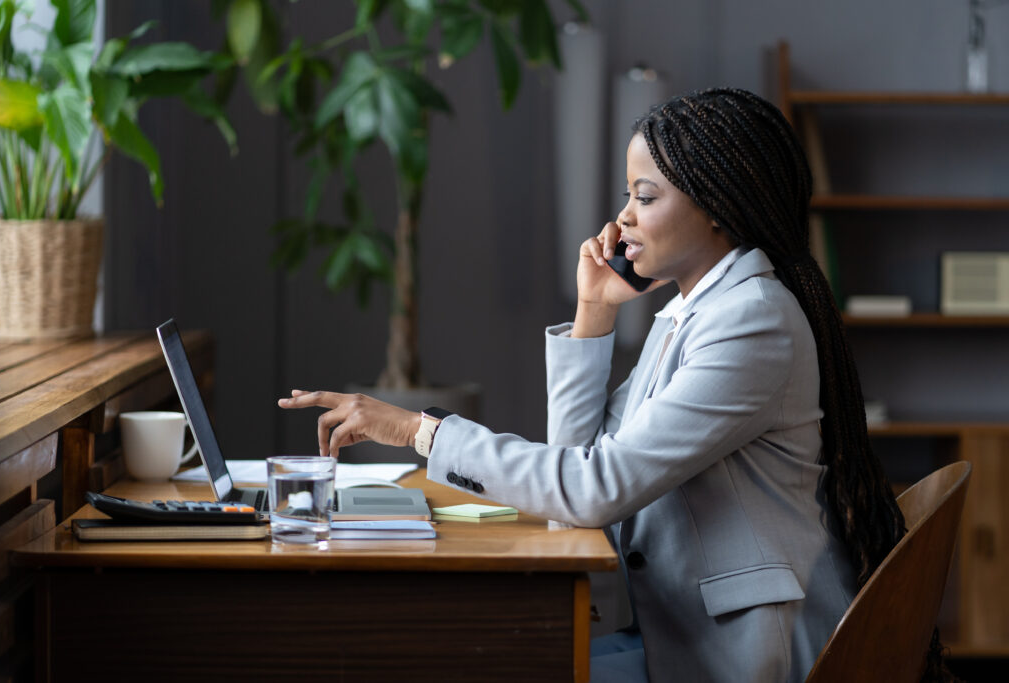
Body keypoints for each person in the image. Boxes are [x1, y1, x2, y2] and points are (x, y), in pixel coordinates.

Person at [278, 88, 927, 682]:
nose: (622, 218)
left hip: (742, 653)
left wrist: (418, 430)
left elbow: (592, 490)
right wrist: (595, 312)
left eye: (644, 197)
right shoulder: (691, 312)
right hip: (682, 631)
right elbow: (579, 475)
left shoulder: (750, 321)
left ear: (718, 210)